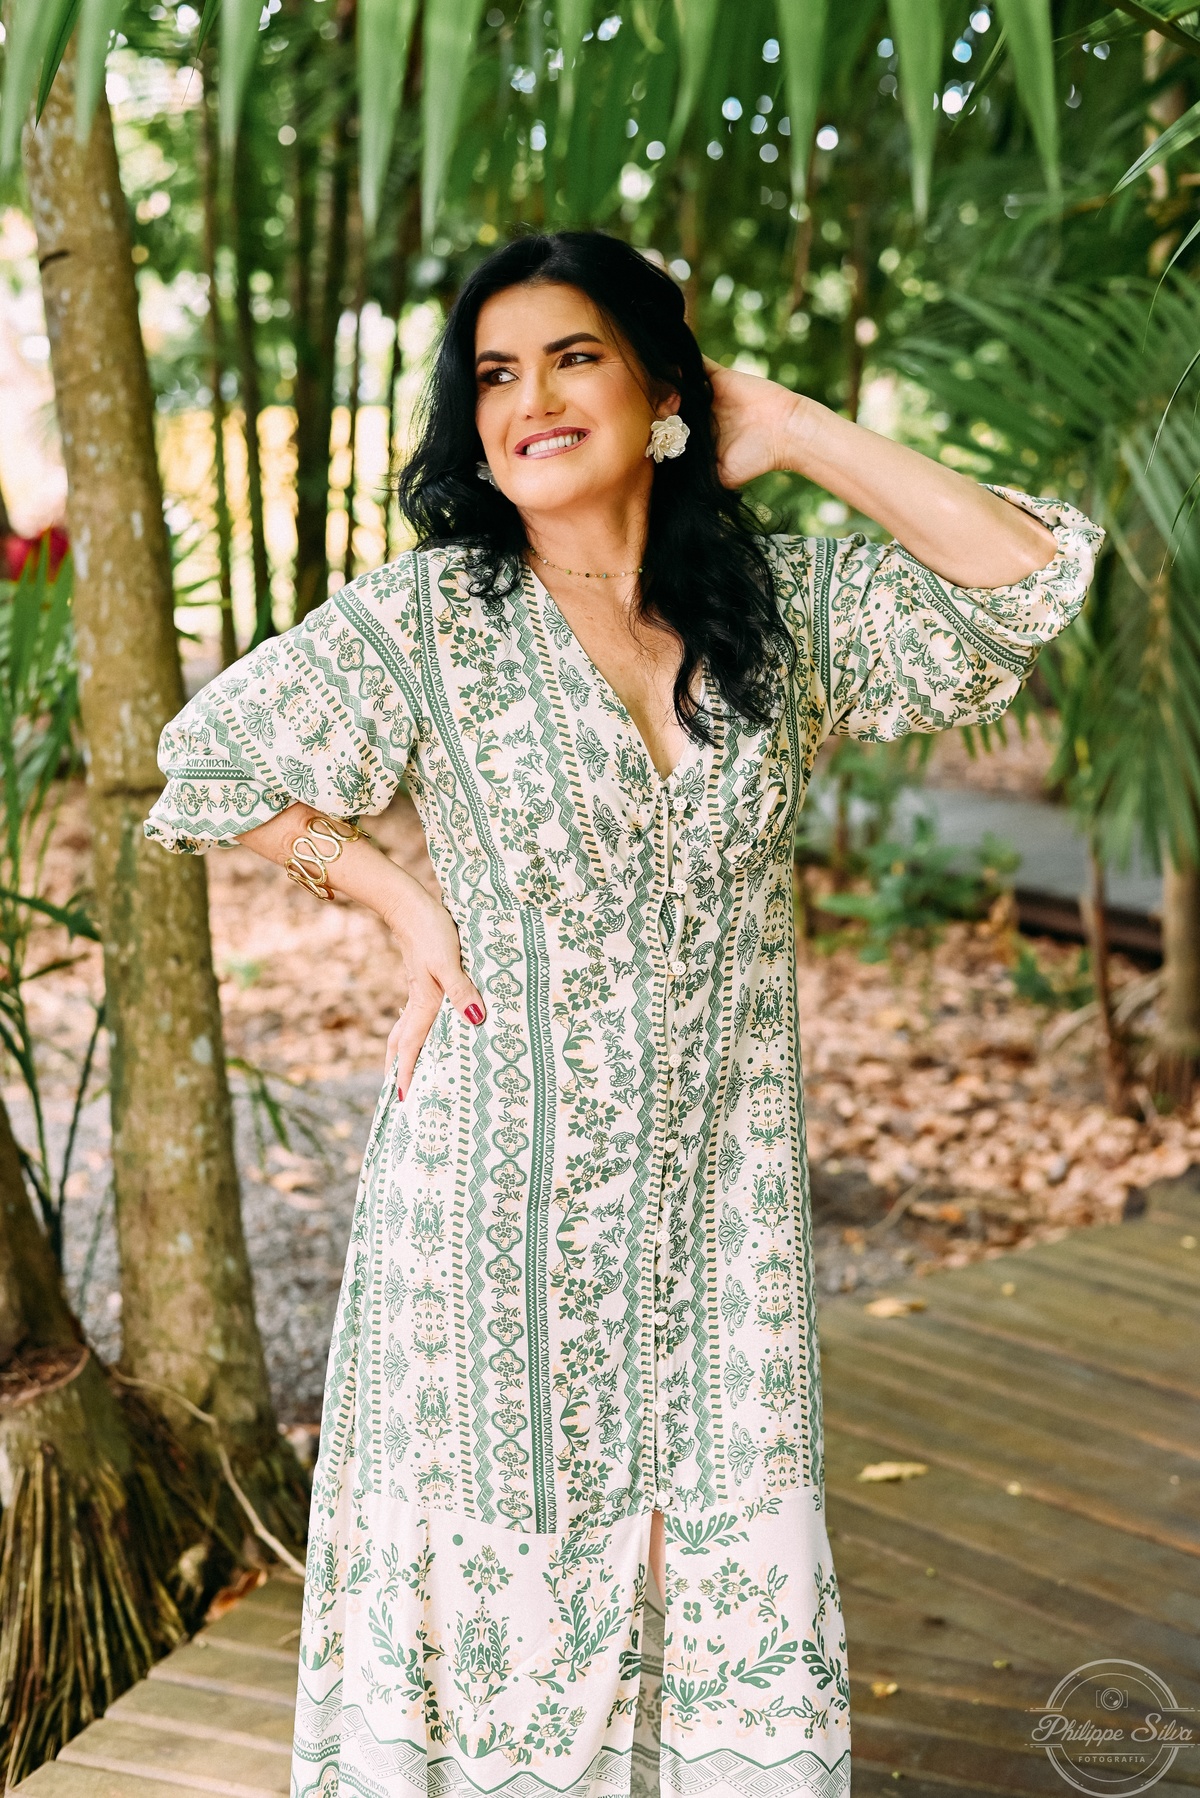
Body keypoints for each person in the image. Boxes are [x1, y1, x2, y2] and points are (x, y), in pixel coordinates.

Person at [144, 229, 1102, 1798]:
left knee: (722, 1575)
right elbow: (211, 759)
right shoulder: (434, 618)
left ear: (662, 385)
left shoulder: (773, 609)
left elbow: (1028, 580)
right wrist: (396, 897)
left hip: (720, 1218)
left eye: (573, 357)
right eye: (495, 374)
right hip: (488, 1214)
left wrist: (786, 424)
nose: (529, 399)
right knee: (506, 1612)